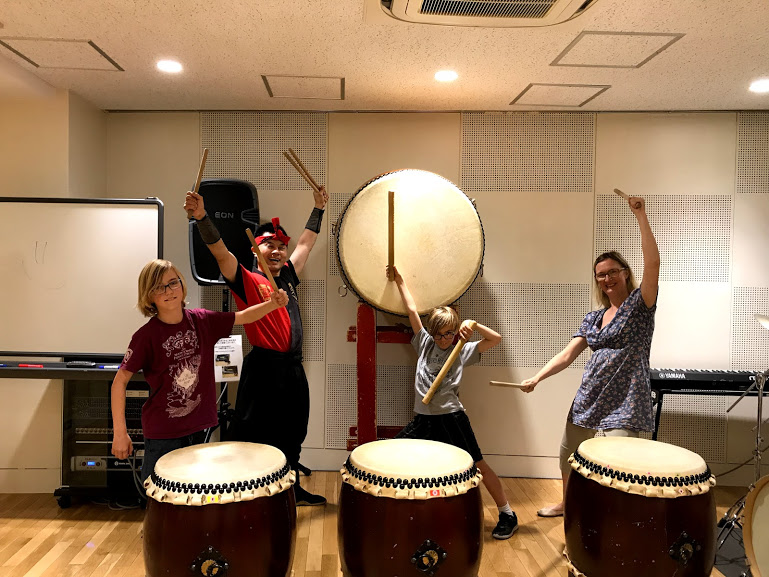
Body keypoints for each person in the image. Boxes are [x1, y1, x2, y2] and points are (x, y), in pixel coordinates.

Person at [183, 183, 328, 506]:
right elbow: (220, 252)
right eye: (268, 246)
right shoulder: (247, 279)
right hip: (264, 368)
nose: (276, 251)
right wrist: (202, 217)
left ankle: (290, 489)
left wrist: (318, 208)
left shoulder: (287, 275)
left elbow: (306, 242)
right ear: (254, 250)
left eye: (281, 246)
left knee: (294, 430)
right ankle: (250, 494)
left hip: (293, 368)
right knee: (255, 432)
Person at [520, 195, 660, 517]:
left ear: (625, 273)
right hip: (591, 394)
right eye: (600, 275)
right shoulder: (594, 317)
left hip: (625, 398)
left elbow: (652, 263)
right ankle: (568, 505)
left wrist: (640, 215)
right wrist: (537, 377)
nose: (607, 278)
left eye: (612, 272)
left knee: (618, 462)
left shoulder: (640, 305)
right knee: (568, 454)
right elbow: (567, 355)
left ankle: (616, 517)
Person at [111, 259, 288, 482]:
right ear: (148, 295)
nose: (169, 291)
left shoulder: (202, 320)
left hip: (199, 428)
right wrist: (120, 433)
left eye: (173, 282)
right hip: (163, 433)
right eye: (159, 287)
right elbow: (119, 382)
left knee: (195, 490)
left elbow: (243, 317)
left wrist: (272, 304)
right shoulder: (145, 337)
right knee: (159, 495)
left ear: (182, 284)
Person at [388, 265, 519, 540]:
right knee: (397, 458)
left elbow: (495, 339)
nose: (444, 339)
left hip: (451, 417)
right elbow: (412, 310)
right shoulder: (425, 344)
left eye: (449, 333)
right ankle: (405, 515)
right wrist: (400, 281)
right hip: (423, 418)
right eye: (439, 334)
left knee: (478, 464)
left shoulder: (462, 350)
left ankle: (507, 513)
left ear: (456, 331)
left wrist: (473, 325)